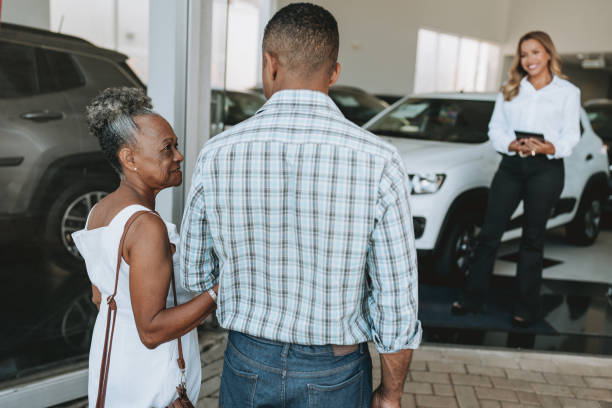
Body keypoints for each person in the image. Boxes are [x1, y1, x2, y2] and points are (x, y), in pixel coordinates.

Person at [180, 3, 421, 407]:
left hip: (247, 360)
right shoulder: (378, 159)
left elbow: (193, 271)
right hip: (336, 368)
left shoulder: (219, 153)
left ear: (269, 64)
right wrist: (390, 393)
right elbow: (396, 297)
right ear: (334, 73)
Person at [72, 87, 218, 407]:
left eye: (176, 145)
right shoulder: (146, 227)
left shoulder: (101, 211)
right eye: (167, 148)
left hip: (116, 365)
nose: (179, 155)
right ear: (130, 158)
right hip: (154, 381)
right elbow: (152, 331)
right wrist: (220, 291)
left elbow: (101, 296)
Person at [452, 31, 581, 327]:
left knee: (532, 239)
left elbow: (571, 135)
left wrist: (549, 147)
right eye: (524, 54)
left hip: (546, 168)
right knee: (489, 234)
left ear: (548, 54)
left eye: (535, 52)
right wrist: (512, 144)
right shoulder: (510, 89)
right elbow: (495, 129)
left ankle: (526, 307)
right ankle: (471, 298)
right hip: (512, 165)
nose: (529, 60)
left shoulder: (567, 92)